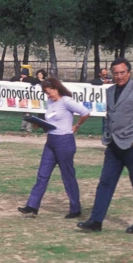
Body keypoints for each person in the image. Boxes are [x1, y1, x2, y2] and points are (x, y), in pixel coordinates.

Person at [78, 57, 133, 234]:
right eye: (116, 73)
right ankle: (96, 221)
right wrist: (107, 134)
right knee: (104, 183)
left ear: (129, 72)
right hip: (113, 146)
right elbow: (109, 115)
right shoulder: (110, 90)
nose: (119, 76)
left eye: (122, 72)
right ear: (111, 74)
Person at [18, 78, 90, 218]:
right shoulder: (50, 102)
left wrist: (77, 126)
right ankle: (32, 205)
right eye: (45, 93)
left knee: (68, 176)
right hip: (51, 141)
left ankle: (75, 208)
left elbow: (85, 112)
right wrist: (40, 124)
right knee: (42, 174)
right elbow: (52, 121)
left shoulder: (67, 101)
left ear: (56, 88)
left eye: (49, 92)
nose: (48, 96)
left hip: (64, 141)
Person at [10, 68, 39, 132]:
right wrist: (20, 79)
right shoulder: (19, 78)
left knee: (28, 113)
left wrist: (23, 79)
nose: (23, 75)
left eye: (24, 74)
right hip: (22, 98)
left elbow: (33, 81)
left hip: (29, 98)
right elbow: (12, 79)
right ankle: (24, 127)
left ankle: (27, 128)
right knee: (25, 113)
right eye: (22, 74)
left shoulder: (30, 79)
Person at [91, 68, 112, 133]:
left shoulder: (110, 79)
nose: (105, 76)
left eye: (106, 74)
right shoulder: (97, 80)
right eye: (103, 75)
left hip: (110, 102)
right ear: (100, 74)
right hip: (101, 102)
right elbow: (93, 82)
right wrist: (103, 83)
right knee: (104, 119)